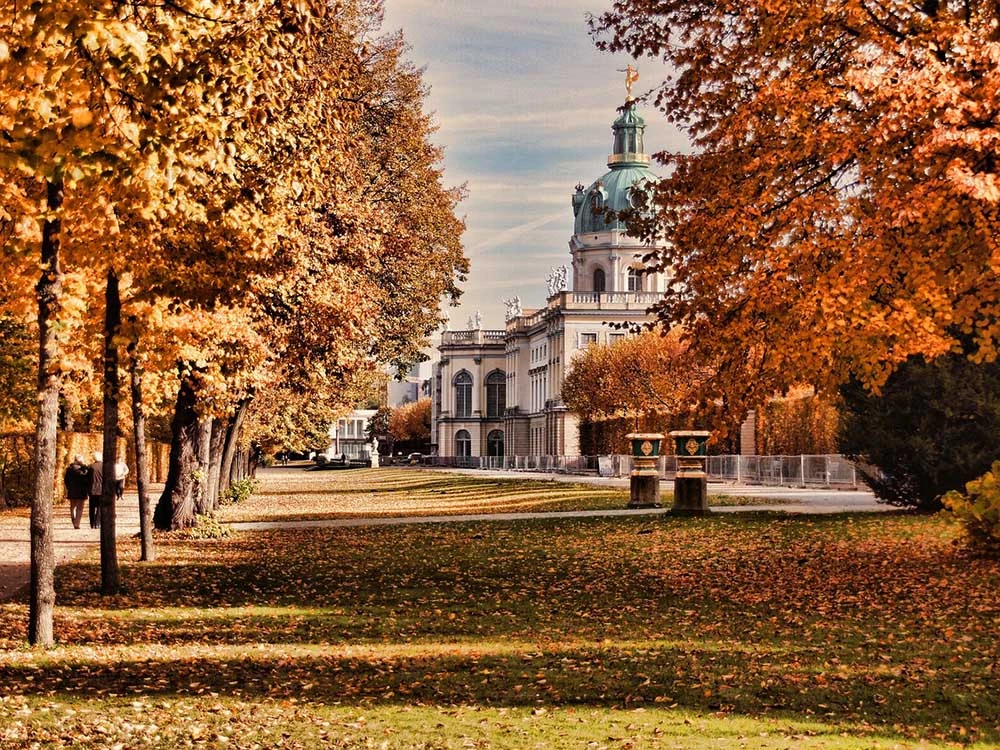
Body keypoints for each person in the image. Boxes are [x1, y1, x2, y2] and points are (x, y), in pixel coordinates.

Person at [63, 455, 91, 530]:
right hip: (82, 491)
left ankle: (73, 519)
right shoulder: (84, 470)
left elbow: (66, 480)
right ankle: (77, 523)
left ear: (74, 460)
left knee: (73, 507)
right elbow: (87, 480)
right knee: (80, 508)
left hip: (72, 490)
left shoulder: (69, 469)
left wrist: (69, 488)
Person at [88, 451, 103, 529]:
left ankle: (92, 523)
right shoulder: (104, 466)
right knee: (100, 507)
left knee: (92, 507)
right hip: (101, 489)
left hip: (92, 489)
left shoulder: (90, 466)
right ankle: (98, 523)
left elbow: (87, 478)